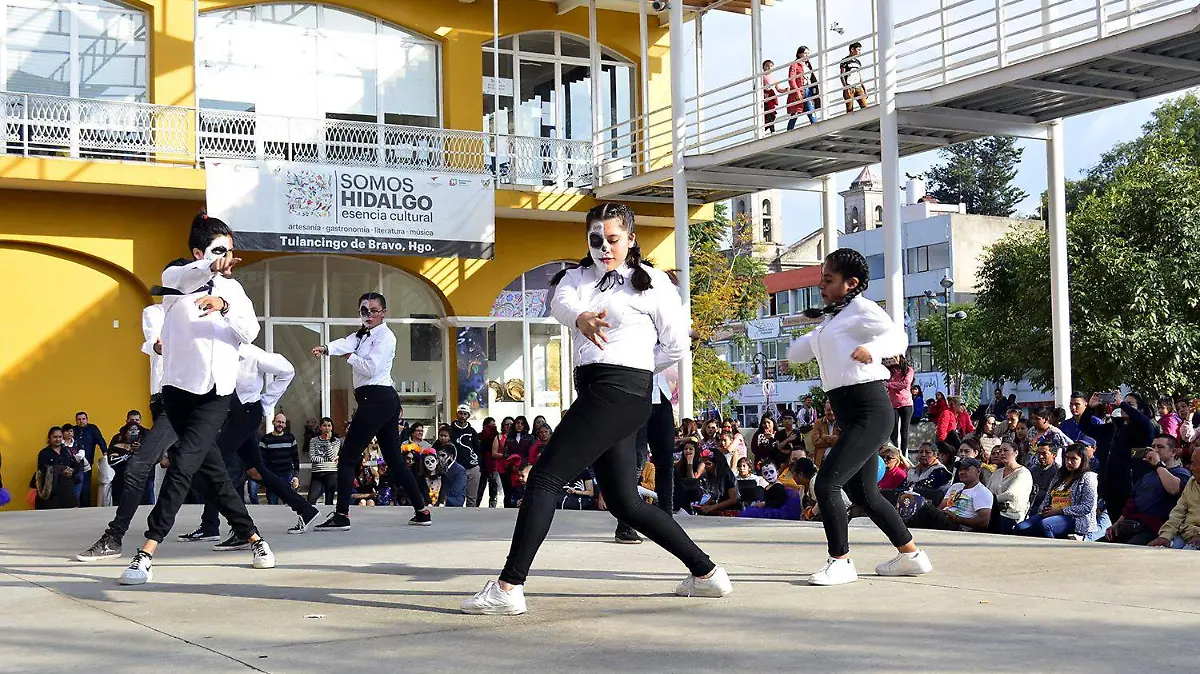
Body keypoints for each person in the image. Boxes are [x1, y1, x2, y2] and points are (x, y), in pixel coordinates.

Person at [462, 203, 731, 616]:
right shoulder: (577, 277)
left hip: (621, 390)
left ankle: (508, 587)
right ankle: (707, 573)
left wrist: (635, 365)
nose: (604, 247)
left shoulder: (654, 282)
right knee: (625, 502)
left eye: (613, 239)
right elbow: (560, 304)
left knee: (545, 479)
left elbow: (676, 345)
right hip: (599, 391)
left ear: (631, 238)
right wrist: (581, 318)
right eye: (595, 239)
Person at [118, 214, 274, 585]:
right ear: (198, 252)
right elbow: (181, 279)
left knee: (183, 464)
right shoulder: (177, 280)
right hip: (177, 392)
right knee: (214, 471)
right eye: (219, 250)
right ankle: (254, 538)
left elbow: (249, 332)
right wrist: (208, 267)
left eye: (230, 250)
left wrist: (224, 305)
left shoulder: (234, 291)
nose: (228, 257)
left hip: (216, 395)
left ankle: (147, 551)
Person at [785, 248, 931, 586]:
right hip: (852, 413)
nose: (821, 285)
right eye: (822, 279)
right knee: (864, 494)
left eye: (828, 279)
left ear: (850, 283)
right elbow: (802, 352)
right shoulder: (833, 318)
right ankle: (911, 556)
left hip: (870, 410)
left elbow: (898, 337)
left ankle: (840, 561)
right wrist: (802, 343)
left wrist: (874, 350)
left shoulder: (862, 310)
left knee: (826, 483)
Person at [77, 291, 184, 562]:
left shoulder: (202, 317)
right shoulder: (155, 312)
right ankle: (250, 534)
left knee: (142, 467)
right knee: (209, 472)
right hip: (164, 401)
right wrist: (167, 347)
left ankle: (114, 537)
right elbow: (155, 343)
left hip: (189, 403)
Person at [180, 343, 320, 547]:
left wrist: (267, 402)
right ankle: (306, 509)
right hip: (232, 416)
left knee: (214, 464)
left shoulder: (252, 354)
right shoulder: (217, 352)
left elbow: (287, 371)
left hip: (246, 414)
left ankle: (232, 528)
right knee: (257, 471)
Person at [311, 291, 430, 531]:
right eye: (364, 311)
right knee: (394, 460)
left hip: (377, 399)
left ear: (383, 313)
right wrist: (326, 348)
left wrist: (349, 357)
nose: (369, 315)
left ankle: (342, 515)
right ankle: (422, 511)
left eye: (374, 311)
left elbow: (370, 368)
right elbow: (345, 342)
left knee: (348, 457)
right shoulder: (362, 334)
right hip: (379, 400)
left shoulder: (385, 337)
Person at [1103, 434, 1191, 545]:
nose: (1155, 450)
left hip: (1153, 530)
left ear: (1173, 452)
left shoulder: (1181, 473)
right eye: (1153, 447)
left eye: (1160, 447)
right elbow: (1131, 503)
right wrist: (1116, 524)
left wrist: (1158, 464)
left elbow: (1174, 489)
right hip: (1131, 526)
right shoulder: (1147, 476)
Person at [1015, 444, 1097, 539]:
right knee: (1021, 528)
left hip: (1075, 518)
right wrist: (1044, 510)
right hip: (1052, 512)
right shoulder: (1060, 474)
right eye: (1067, 458)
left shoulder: (1088, 477)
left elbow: (1086, 507)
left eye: (1074, 459)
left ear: (1082, 460)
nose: (1069, 462)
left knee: (1046, 525)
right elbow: (1048, 497)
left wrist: (1060, 511)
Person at [905, 458, 992, 532]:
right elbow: (941, 507)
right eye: (960, 469)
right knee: (917, 504)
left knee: (925, 507)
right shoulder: (956, 486)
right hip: (945, 519)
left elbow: (984, 522)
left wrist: (956, 518)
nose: (962, 472)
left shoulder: (982, 492)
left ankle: (905, 532)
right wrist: (939, 514)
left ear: (978, 471)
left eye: (966, 469)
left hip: (960, 527)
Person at [1148, 444, 1200, 549]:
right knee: (1156, 552)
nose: (1190, 467)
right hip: (1186, 534)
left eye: (1193, 463)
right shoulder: (1192, 482)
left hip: (1195, 538)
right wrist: (1165, 536)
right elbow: (1178, 512)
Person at [985, 442, 1033, 535]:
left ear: (1016, 453)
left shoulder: (1023, 473)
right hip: (993, 513)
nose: (1002, 453)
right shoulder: (997, 472)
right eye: (1000, 451)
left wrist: (991, 500)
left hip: (1011, 516)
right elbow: (987, 492)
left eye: (1005, 450)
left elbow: (1011, 495)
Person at [259, 413, 300, 506]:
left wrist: (296, 476)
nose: (280, 424)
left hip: (287, 475)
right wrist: (264, 476)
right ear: (273, 422)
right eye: (278, 422)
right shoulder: (265, 439)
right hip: (272, 476)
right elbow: (262, 460)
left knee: (289, 504)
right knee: (272, 503)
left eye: (283, 422)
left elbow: (296, 458)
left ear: (285, 425)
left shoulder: (290, 438)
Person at [35, 427, 79, 509]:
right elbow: (42, 471)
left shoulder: (67, 451)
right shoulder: (44, 453)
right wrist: (58, 470)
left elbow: (75, 466)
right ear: (49, 438)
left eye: (60, 437)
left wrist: (71, 471)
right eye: (55, 437)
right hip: (51, 492)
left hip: (67, 490)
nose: (57, 439)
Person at [449, 403, 482, 506]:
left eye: (465, 414)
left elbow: (478, 449)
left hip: (472, 467)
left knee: (472, 498)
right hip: (456, 468)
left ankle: (471, 515)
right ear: (456, 414)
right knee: (456, 496)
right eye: (460, 413)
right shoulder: (450, 430)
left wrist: (479, 464)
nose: (462, 416)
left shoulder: (472, 431)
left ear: (468, 415)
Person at [72, 411, 107, 507]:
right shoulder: (73, 430)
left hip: (87, 465)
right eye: (79, 419)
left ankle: (86, 509)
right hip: (73, 465)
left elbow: (100, 440)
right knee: (74, 489)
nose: (81, 421)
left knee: (85, 489)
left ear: (87, 419)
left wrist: (105, 453)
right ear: (76, 421)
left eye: (83, 419)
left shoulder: (92, 429)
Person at [307, 417, 340, 506]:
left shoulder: (336, 441)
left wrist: (327, 441)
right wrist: (326, 459)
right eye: (324, 425)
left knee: (329, 500)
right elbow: (312, 458)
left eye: (329, 426)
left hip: (331, 472)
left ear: (332, 427)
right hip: (317, 473)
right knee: (311, 499)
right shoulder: (314, 440)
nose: (327, 428)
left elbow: (332, 457)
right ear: (320, 427)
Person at [886, 356, 914, 457]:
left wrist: (888, 384)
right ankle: (895, 454)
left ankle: (904, 454)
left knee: (904, 431)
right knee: (893, 432)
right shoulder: (889, 371)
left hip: (906, 403)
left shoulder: (908, 370)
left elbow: (905, 384)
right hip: (893, 404)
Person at [786, 46, 817, 128]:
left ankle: (816, 128)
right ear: (799, 54)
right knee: (796, 112)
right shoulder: (795, 65)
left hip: (808, 89)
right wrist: (797, 91)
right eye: (805, 53)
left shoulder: (807, 65)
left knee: (811, 110)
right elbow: (791, 79)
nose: (807, 55)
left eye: (808, 53)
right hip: (800, 89)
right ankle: (790, 130)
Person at [477, 416, 501, 507]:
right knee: (480, 488)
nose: (493, 427)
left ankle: (492, 506)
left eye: (494, 425)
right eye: (491, 425)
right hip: (482, 465)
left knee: (493, 487)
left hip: (493, 465)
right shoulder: (479, 436)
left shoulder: (497, 437)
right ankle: (476, 504)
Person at [839, 42, 868, 113]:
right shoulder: (845, 61)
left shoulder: (858, 62)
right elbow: (842, 75)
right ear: (852, 49)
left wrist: (864, 88)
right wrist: (846, 87)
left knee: (865, 106)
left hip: (858, 86)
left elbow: (860, 75)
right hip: (849, 86)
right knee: (849, 108)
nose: (860, 52)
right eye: (858, 50)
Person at [761, 59, 786, 133]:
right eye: (767, 66)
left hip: (771, 97)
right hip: (764, 97)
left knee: (772, 114)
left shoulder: (774, 78)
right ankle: (772, 131)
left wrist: (785, 90)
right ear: (763, 67)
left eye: (771, 66)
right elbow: (756, 87)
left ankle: (765, 130)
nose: (769, 67)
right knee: (767, 114)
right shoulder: (761, 76)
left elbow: (778, 89)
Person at [811, 402, 839, 467]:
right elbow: (815, 442)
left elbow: (842, 441)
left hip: (838, 460)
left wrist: (824, 437)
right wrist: (834, 441)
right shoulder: (818, 423)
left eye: (833, 410)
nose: (831, 412)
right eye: (828, 410)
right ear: (824, 411)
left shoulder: (842, 423)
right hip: (821, 461)